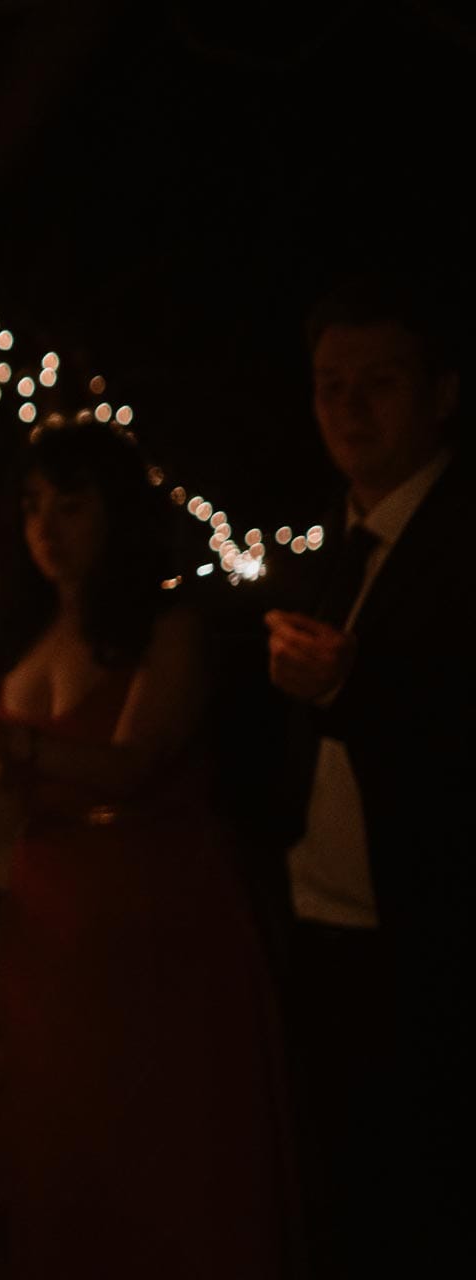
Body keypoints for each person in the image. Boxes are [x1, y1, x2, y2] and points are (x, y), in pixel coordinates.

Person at [0, 420, 289, 1278]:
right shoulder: (17, 641)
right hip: (47, 928)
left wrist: (15, 746)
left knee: (166, 1153)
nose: (45, 529)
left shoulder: (170, 627)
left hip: (157, 917)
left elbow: (131, 766)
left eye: (71, 505)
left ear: (116, 512)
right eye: (32, 507)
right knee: (65, 1151)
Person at [265, 276, 470, 1276]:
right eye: (326, 384)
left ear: (440, 392)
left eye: (375, 383)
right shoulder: (330, 544)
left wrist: (350, 688)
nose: (345, 409)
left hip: (430, 945)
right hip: (320, 928)